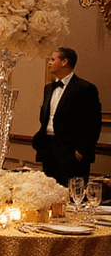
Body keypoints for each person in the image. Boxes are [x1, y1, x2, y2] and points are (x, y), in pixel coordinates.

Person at [31, 46, 102, 186]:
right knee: (49, 194)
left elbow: (93, 124)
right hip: (49, 150)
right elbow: (45, 119)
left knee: (71, 197)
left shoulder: (85, 88)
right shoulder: (49, 88)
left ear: (64, 62)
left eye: (52, 59)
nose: (49, 63)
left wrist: (79, 152)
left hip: (71, 153)